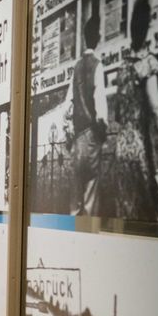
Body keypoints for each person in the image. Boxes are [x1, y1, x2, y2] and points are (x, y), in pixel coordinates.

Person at [110, 0, 158, 222]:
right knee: (152, 216)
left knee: (127, 213)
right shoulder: (149, 63)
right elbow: (155, 107)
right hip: (141, 148)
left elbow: (119, 114)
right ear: (146, 30)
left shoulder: (123, 68)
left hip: (121, 151)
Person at [63, 12, 108, 216]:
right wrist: (102, 131)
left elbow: (68, 105)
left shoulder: (76, 67)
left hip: (76, 138)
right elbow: (100, 102)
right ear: (97, 38)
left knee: (75, 196)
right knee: (91, 193)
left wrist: (69, 131)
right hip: (91, 136)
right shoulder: (97, 66)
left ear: (84, 39)